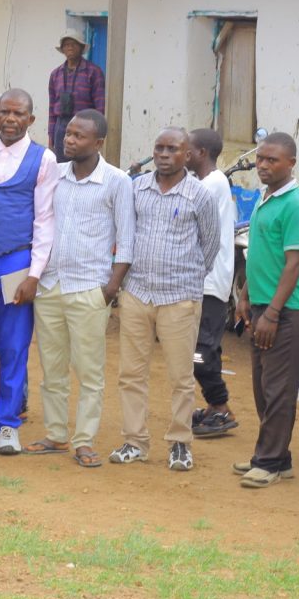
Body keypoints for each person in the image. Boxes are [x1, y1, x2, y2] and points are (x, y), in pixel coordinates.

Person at [25, 109, 134, 468]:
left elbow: (127, 239)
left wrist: (110, 289)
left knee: (89, 371)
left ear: (98, 142)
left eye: (78, 136)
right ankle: (56, 434)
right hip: (51, 284)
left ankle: (84, 440)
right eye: (67, 134)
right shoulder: (54, 174)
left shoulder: (117, 182)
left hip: (90, 287)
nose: (68, 140)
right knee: (52, 368)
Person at [111, 127, 220, 471]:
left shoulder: (199, 195)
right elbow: (124, 235)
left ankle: (179, 443)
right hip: (137, 293)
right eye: (158, 147)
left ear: (187, 155)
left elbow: (211, 245)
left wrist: (187, 279)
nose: (163, 154)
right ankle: (135, 441)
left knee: (181, 376)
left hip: (179, 298)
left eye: (172, 148)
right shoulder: (136, 188)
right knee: (131, 373)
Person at [0, 88, 58, 455]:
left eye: (18, 113)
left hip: (17, 260)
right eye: (4, 112)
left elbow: (45, 220)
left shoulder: (43, 159)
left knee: (14, 345)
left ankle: (7, 424)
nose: (10, 119)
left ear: (31, 119)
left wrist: (35, 273)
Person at [232, 132, 299, 487]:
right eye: (261, 159)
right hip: (264, 303)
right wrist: (247, 296)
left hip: (290, 309)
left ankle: (268, 463)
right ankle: (277, 458)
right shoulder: (264, 197)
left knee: (279, 387)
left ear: (291, 164)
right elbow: (260, 254)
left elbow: (293, 264)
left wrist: (273, 313)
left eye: (272, 160)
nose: (263, 166)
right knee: (263, 386)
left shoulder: (296, 204)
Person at [186, 128, 237, 437]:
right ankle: (216, 404)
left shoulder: (213, 184)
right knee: (202, 348)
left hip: (209, 282)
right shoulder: (206, 183)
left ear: (201, 153)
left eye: (186, 150)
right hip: (201, 282)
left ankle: (220, 406)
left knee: (200, 352)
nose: (181, 154)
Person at [48, 29, 105, 162]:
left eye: (73, 44)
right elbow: (51, 108)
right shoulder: (55, 74)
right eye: (66, 45)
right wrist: (51, 136)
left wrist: (96, 133)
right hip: (61, 126)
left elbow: (100, 106)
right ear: (62, 49)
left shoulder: (93, 72)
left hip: (84, 125)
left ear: (81, 48)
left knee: (82, 163)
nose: (70, 47)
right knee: (61, 166)